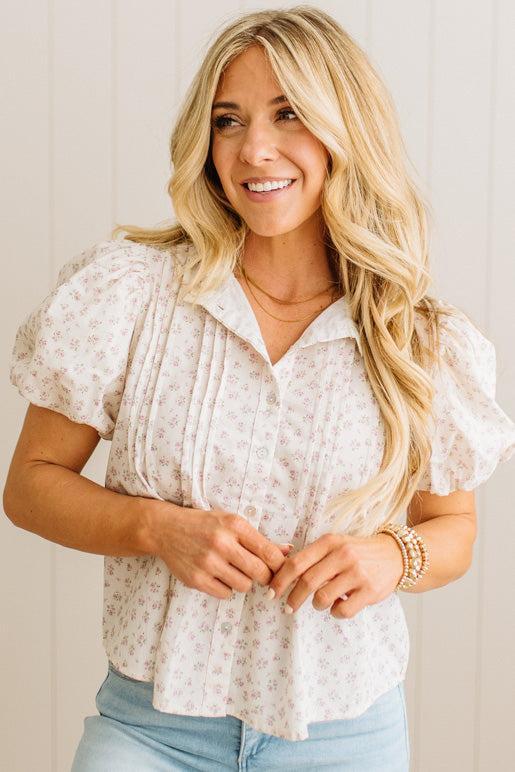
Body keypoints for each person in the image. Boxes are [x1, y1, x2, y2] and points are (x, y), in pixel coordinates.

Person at [4, 5, 515, 771]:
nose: (254, 149)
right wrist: (154, 528)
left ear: (346, 130)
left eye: (289, 114)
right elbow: (30, 487)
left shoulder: (417, 336)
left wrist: (390, 557)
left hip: (345, 737)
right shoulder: (131, 295)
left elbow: (452, 529)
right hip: (149, 730)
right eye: (228, 120)